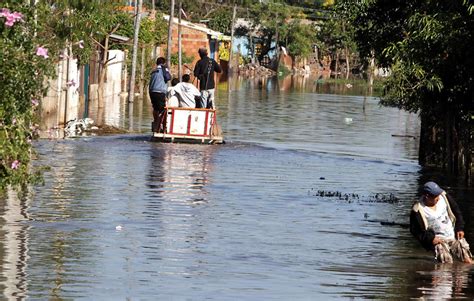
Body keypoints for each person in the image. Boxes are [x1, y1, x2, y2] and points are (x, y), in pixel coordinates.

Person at [410, 181, 473, 263]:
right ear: (427, 196)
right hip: (439, 241)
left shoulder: (444, 197)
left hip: (453, 236)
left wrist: (459, 228)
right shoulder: (418, 209)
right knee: (445, 266)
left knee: (467, 261)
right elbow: (415, 230)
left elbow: (457, 212)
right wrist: (431, 239)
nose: (438, 198)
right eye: (435, 196)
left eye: (438, 195)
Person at [149, 57, 171, 132]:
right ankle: (163, 127)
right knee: (163, 110)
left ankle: (156, 123)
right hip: (160, 92)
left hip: (152, 92)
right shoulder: (164, 68)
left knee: (155, 108)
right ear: (164, 63)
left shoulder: (154, 70)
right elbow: (168, 78)